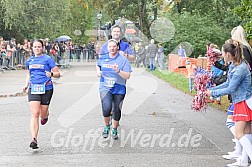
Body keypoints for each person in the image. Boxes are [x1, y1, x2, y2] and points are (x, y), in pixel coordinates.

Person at [207, 42, 252, 167]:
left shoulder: (240, 69)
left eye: (222, 53)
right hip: (240, 101)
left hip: (243, 102)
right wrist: (212, 90)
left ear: (228, 54)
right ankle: (244, 160)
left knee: (239, 133)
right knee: (247, 132)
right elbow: (227, 83)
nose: (221, 56)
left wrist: (212, 93)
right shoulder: (234, 66)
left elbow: (231, 89)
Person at [22, 40, 60, 149]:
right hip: (33, 88)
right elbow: (28, 74)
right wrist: (25, 85)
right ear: (32, 48)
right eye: (35, 47)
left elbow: (58, 74)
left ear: (42, 48)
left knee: (42, 115)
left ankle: (46, 115)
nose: (37, 48)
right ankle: (34, 139)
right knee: (35, 113)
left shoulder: (48, 59)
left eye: (39, 47)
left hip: (46, 88)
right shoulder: (29, 61)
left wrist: (51, 74)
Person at [96, 39, 132, 140]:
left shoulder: (123, 60)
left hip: (119, 88)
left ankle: (114, 129)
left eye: (114, 46)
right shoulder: (103, 58)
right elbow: (98, 65)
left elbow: (128, 76)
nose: (112, 48)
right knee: (106, 107)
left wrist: (119, 71)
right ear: (107, 48)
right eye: (110, 47)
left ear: (117, 47)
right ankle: (107, 126)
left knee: (117, 110)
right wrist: (98, 72)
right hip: (105, 86)